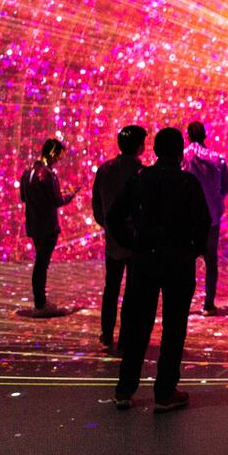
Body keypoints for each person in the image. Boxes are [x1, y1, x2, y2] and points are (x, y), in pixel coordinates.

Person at [108, 127, 211, 412]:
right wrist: (193, 250)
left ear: (155, 151)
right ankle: (165, 393)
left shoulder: (141, 179)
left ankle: (124, 390)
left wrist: (133, 243)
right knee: (174, 327)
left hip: (145, 260)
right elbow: (203, 223)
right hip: (178, 261)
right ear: (180, 153)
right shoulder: (188, 182)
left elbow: (114, 216)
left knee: (138, 325)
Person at [92, 125, 147, 351]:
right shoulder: (142, 172)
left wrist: (107, 225)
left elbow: (97, 205)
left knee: (111, 288)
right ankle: (126, 337)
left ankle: (106, 334)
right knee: (133, 291)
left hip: (113, 241)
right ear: (138, 146)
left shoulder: (104, 170)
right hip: (135, 242)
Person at [19, 139, 78, 316]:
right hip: (47, 226)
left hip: (33, 224)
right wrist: (71, 194)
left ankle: (40, 300)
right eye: (59, 156)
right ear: (53, 154)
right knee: (41, 264)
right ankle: (40, 303)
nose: (59, 160)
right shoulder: (47, 174)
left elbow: (23, 197)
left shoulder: (27, 172)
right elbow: (56, 200)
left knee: (40, 263)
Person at [182, 121, 228, 316]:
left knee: (187, 260)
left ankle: (184, 303)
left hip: (188, 218)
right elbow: (227, 186)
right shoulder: (217, 158)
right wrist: (215, 196)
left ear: (187, 135)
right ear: (205, 135)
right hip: (211, 215)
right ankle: (209, 303)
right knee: (211, 260)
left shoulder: (183, 157)